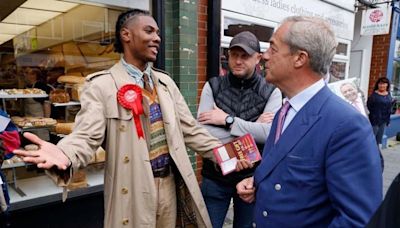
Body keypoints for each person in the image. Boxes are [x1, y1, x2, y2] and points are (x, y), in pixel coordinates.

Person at [14, 9, 222, 228]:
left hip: (170, 186)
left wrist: (227, 155)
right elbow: (86, 136)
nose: (157, 38)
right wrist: (65, 153)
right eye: (149, 30)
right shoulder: (101, 86)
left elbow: (191, 130)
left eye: (158, 33)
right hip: (132, 188)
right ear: (126, 35)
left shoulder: (166, 83)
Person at [236, 16, 382, 227]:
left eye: (273, 49)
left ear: (300, 58)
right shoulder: (284, 111)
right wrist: (258, 184)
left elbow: (358, 220)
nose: (264, 56)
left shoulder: (347, 125)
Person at [197, 31, 282, 228]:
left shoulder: (272, 91)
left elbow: (270, 134)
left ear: (258, 58)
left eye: (245, 56)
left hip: (251, 179)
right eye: (234, 55)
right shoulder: (213, 86)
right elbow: (203, 132)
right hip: (215, 176)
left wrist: (227, 120)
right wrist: (254, 128)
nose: (238, 61)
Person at [367, 77, 393, 146]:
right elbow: (369, 107)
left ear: (387, 85)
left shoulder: (388, 94)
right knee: (371, 139)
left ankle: (376, 155)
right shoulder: (373, 96)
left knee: (378, 140)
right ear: (377, 85)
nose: (382, 85)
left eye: (384, 83)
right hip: (374, 121)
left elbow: (389, 108)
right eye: (380, 83)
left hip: (383, 121)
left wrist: (388, 121)